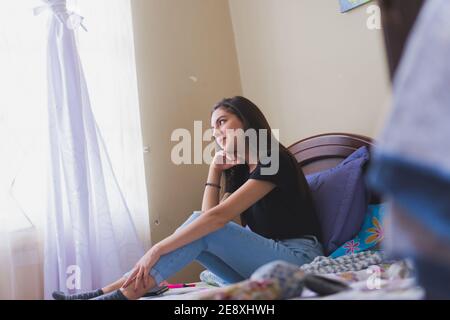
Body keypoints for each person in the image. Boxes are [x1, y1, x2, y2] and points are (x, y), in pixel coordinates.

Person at [52, 96, 323, 300]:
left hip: (298, 260)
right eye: (213, 127)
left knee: (202, 228)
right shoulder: (242, 171)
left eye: (222, 121)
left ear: (246, 121)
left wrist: (156, 249)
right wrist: (214, 170)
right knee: (201, 235)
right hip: (262, 268)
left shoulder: (275, 159)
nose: (216, 132)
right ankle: (106, 291)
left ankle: (116, 294)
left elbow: (214, 221)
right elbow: (209, 221)